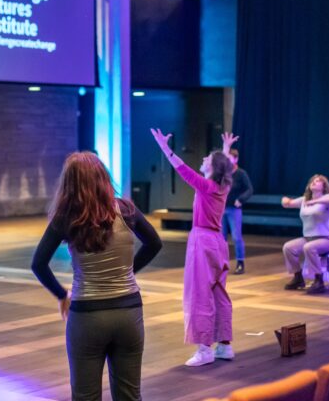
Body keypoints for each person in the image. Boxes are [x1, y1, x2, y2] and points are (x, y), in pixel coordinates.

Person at [31, 152, 162, 400]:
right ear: (103, 177)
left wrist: (62, 295)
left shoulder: (65, 217)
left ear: (69, 184)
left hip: (87, 317)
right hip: (129, 313)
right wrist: (127, 271)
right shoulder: (126, 209)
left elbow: (38, 264)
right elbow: (155, 243)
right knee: (130, 395)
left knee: (85, 395)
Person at [151, 129, 236, 367]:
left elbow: (181, 168)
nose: (202, 160)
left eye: (206, 159)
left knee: (200, 294)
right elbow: (225, 166)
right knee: (219, 293)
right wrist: (225, 149)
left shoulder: (207, 186)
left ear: (212, 168)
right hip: (218, 242)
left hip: (202, 241)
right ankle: (224, 346)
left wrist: (164, 147)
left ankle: (204, 349)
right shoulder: (223, 187)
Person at [281, 174, 329, 295]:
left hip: (328, 239)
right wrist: (285, 200)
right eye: (312, 180)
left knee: (309, 247)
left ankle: (319, 280)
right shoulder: (304, 200)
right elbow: (288, 203)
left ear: (324, 186)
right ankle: (298, 278)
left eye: (318, 181)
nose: (314, 182)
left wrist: (315, 200)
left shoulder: (327, 198)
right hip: (308, 238)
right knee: (288, 247)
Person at [221, 149, 253, 275]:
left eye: (230, 159)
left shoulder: (241, 173)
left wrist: (241, 199)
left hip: (234, 209)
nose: (227, 161)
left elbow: (249, 189)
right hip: (221, 209)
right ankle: (222, 262)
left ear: (236, 159)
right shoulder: (223, 174)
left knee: (236, 236)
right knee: (221, 237)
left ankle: (240, 263)